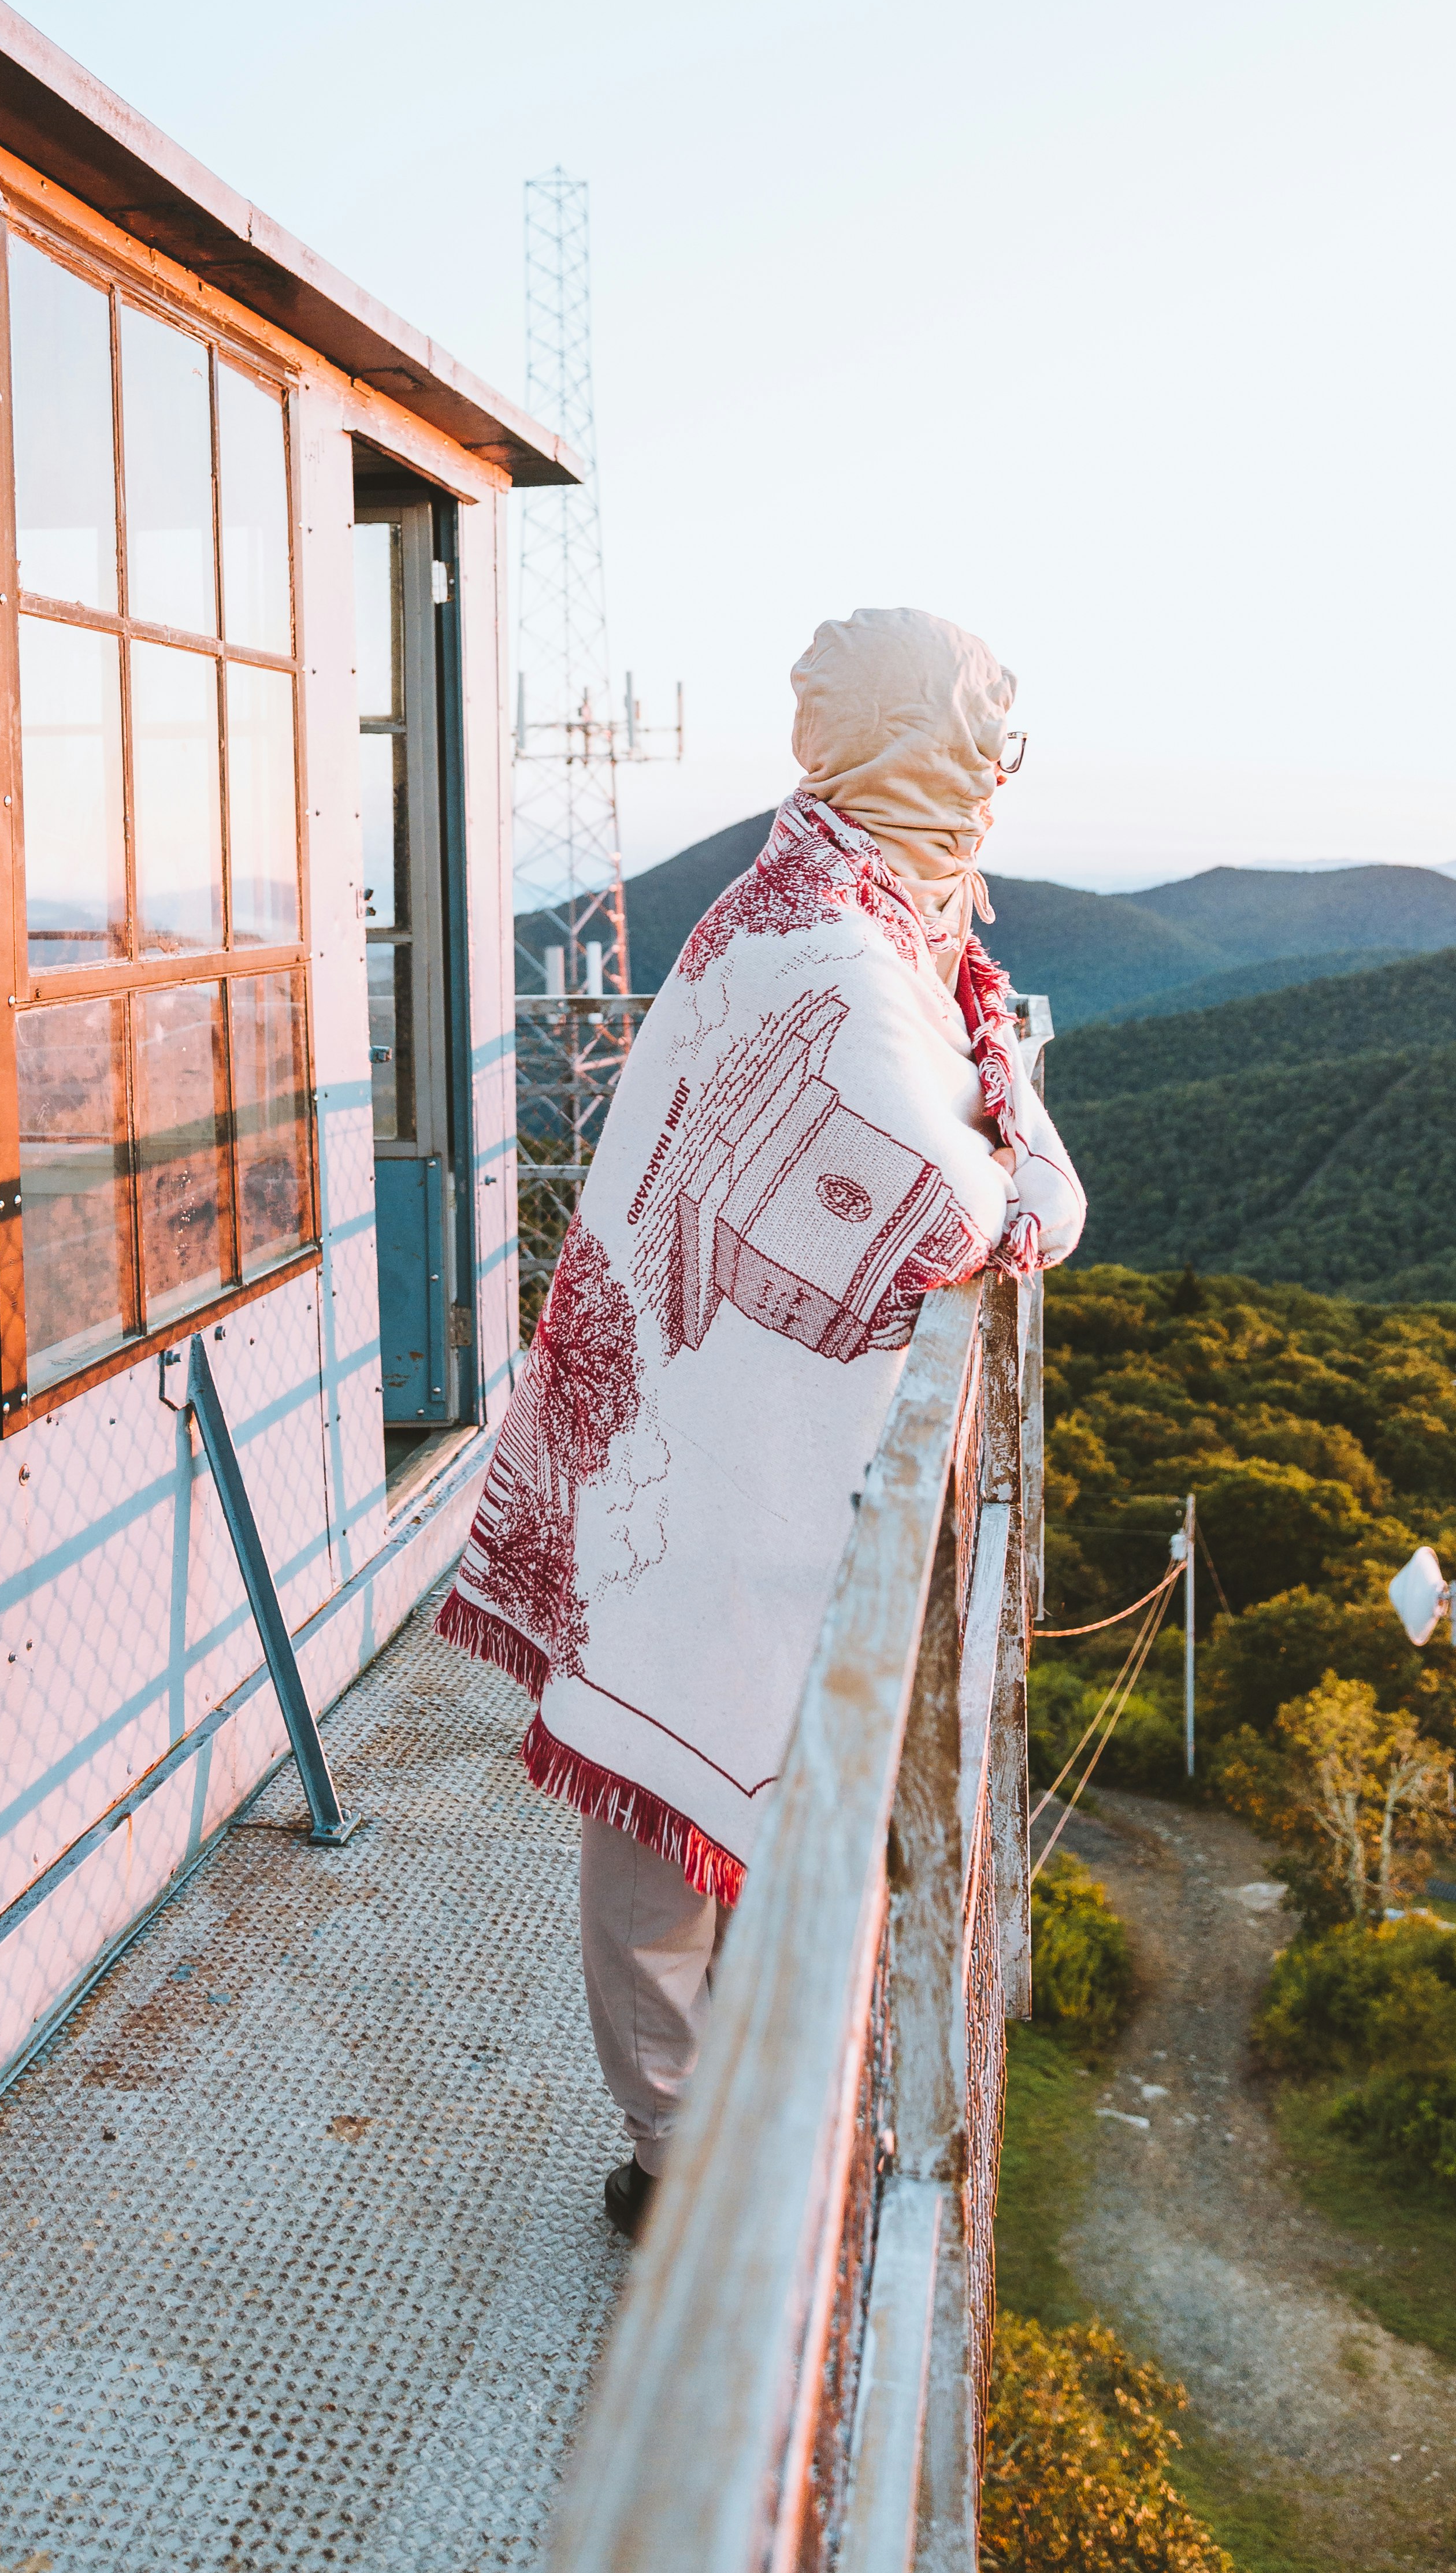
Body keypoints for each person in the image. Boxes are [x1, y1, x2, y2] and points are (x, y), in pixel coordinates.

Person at [437, 607, 1087, 2236]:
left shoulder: (864, 899)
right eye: (984, 738)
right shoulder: (827, 941)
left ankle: (702, 2135)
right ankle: (679, 2166)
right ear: (915, 747)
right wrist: (1022, 1146)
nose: (1002, 776)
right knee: (665, 1779)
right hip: (708, 1437)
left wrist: (999, 1090)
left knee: (703, 1774)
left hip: (717, 1415)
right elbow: (971, 1207)